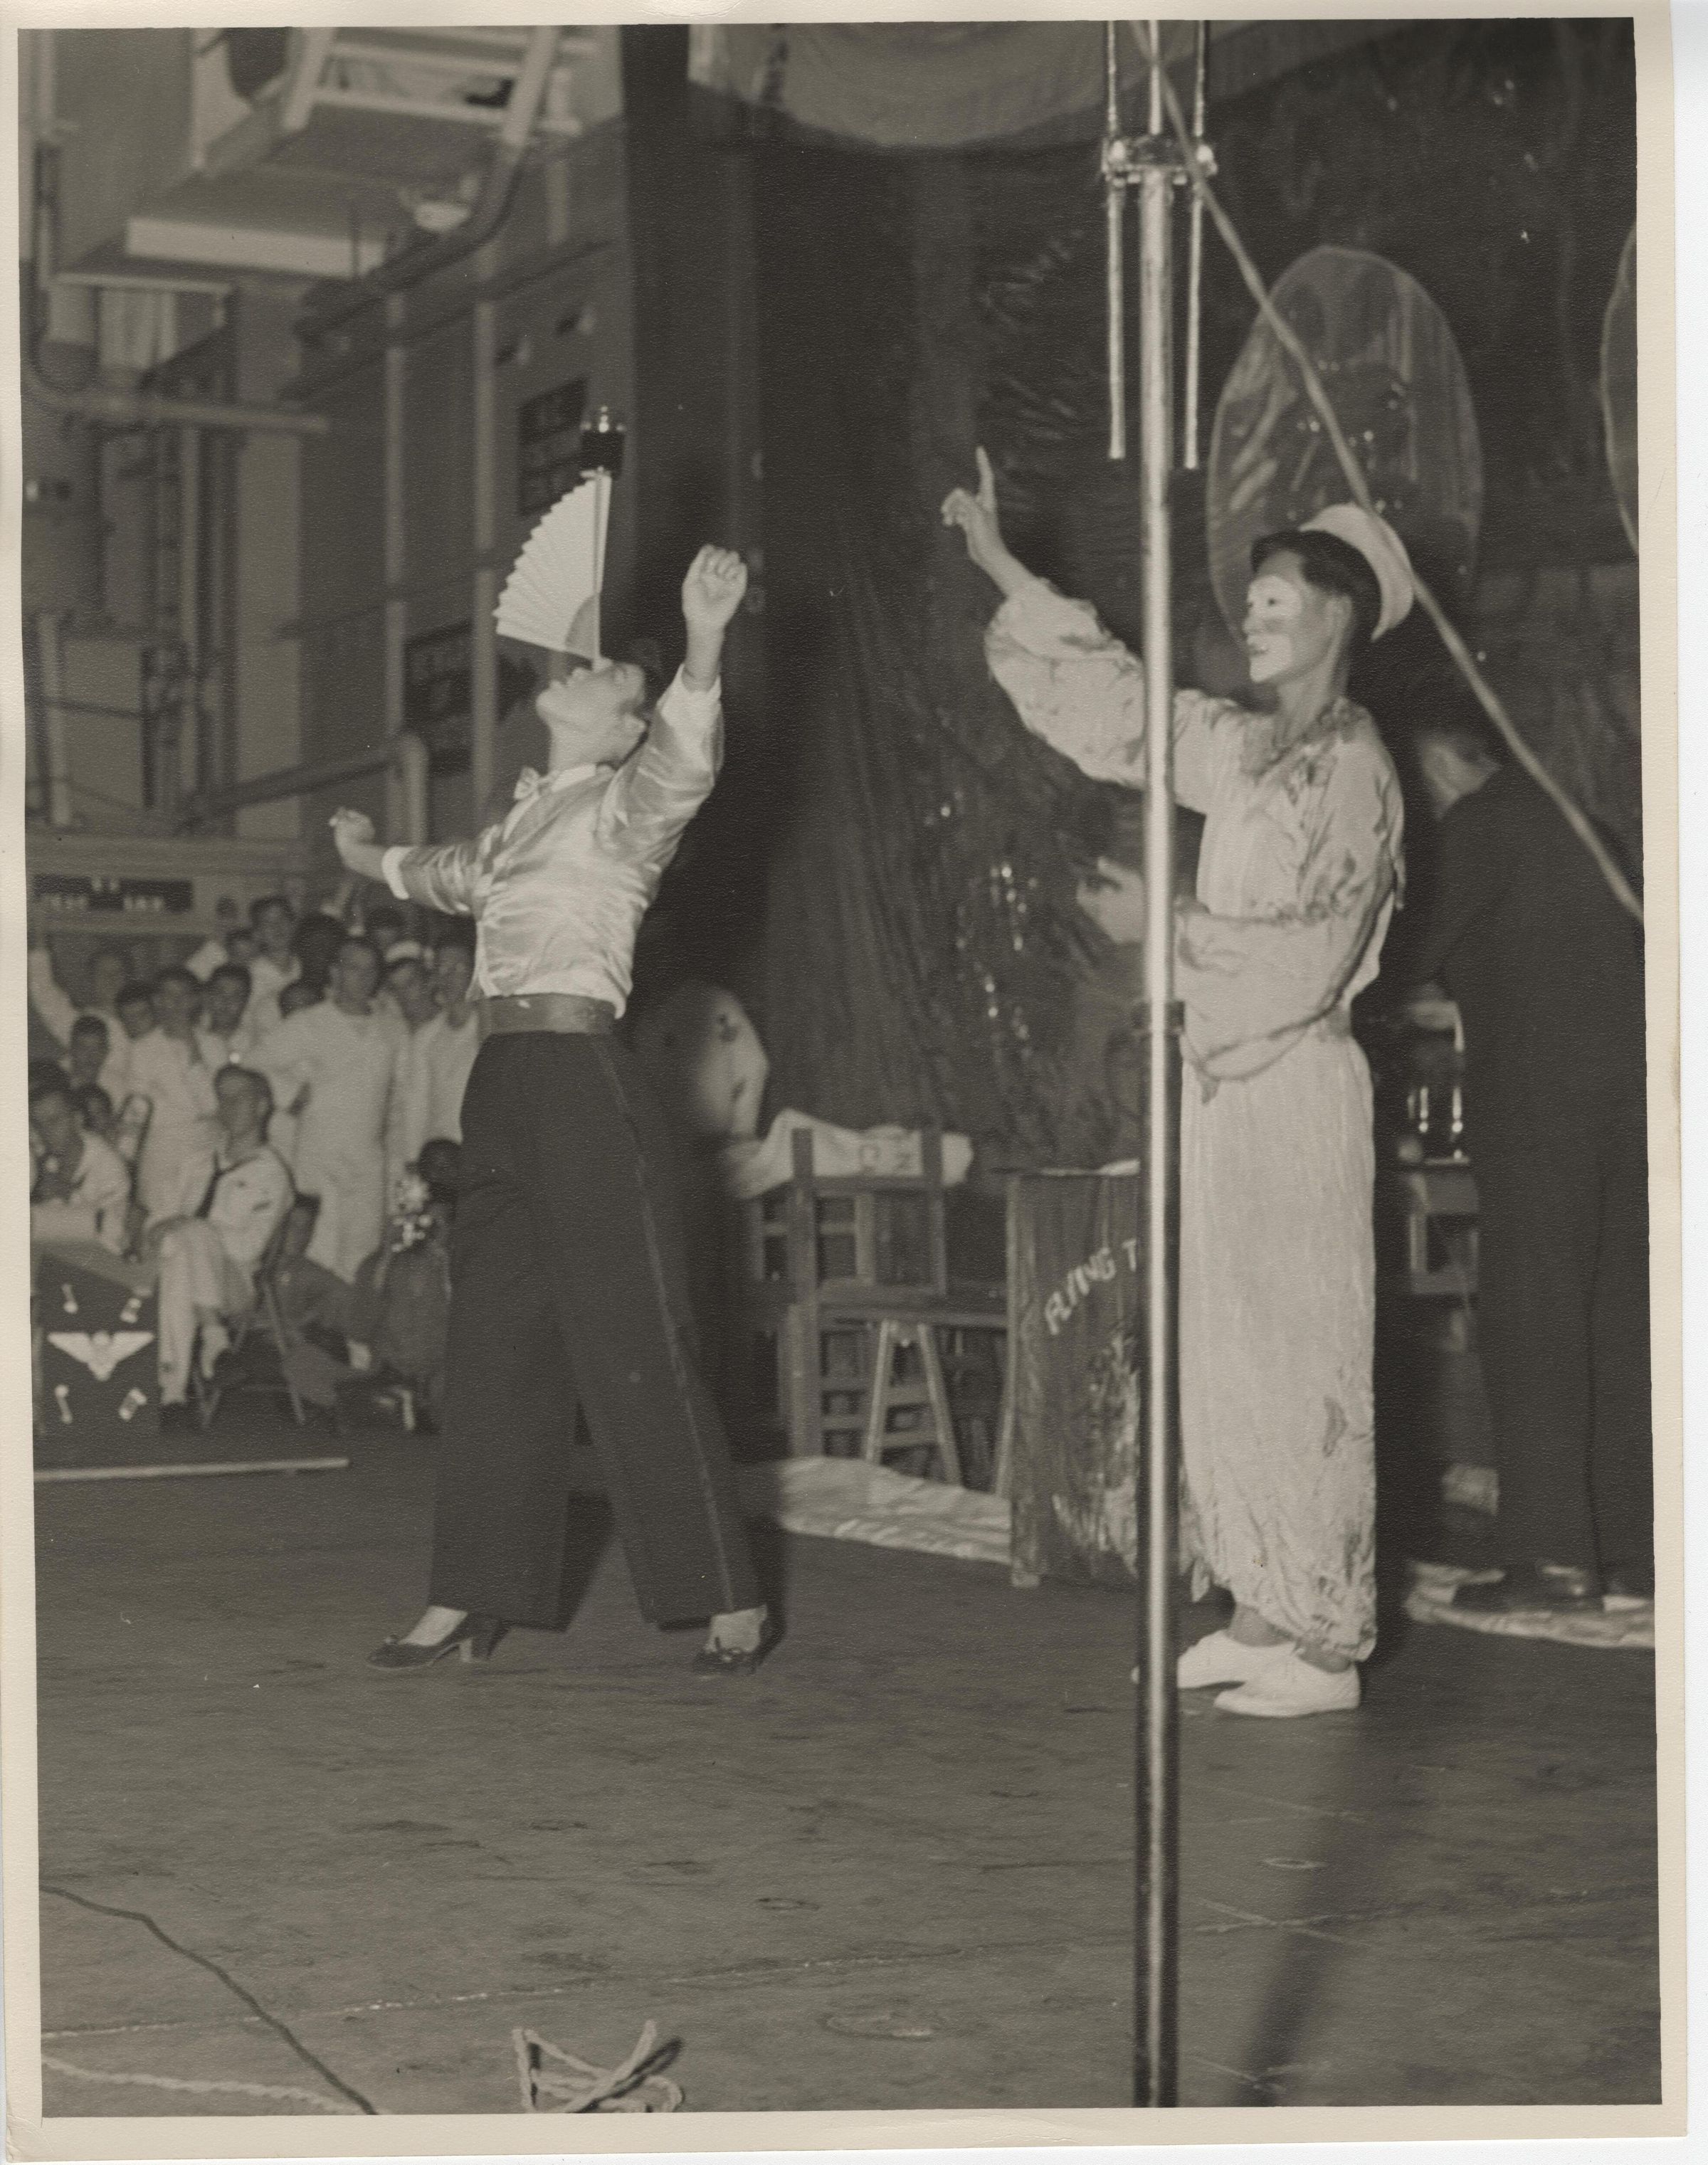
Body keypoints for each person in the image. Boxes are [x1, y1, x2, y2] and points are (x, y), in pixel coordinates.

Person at [945, 452, 1408, 1717]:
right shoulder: (1252, 751)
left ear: (1341, 616)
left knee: (1303, 1349)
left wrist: (1175, 923)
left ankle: (1327, 1641)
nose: (1254, 618)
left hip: (1297, 1084)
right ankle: (1265, 1609)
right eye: (1249, 600)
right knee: (1234, 1349)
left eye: (1277, 601)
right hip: (1224, 1089)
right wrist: (1001, 565)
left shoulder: (1356, 769)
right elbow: (1124, 708)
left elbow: (1315, 947)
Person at [329, 544, 771, 1676]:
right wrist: (369, 856)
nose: (578, 672)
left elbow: (686, 760)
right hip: (505, 1082)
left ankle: (720, 1587)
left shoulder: (629, 809)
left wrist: (704, 639)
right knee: (494, 1343)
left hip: (585, 1081)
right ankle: (469, 1596)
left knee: (633, 1334)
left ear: (625, 727)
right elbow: (446, 873)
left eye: (608, 678)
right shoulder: (522, 822)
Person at [1400, 712, 1652, 1611]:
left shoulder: (1477, 827)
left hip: (1542, 1112)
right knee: (1619, 1323)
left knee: (1535, 1324)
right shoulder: (1585, 823)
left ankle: (1548, 1559)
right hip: (1638, 1108)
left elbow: (1400, 957)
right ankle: (1632, 1551)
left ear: (1437, 765)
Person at [145, 1066, 294, 1429]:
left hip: (233, 1282)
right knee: (181, 1251)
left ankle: (174, 1389)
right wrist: (169, 1229)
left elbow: (248, 1249)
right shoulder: (196, 1163)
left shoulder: (272, 1175)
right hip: (172, 1271)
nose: (227, 1106)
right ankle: (209, 1353)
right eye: (221, 1097)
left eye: (238, 1097)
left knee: (190, 1239)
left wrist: (194, 1228)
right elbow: (155, 1223)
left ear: (262, 1106)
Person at [255, 935, 405, 1284]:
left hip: (368, 1156)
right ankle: (312, 1333)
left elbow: (399, 1098)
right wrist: (289, 1093)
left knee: (363, 1250)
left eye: (371, 971)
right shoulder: (308, 1023)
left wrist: (397, 1159)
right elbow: (255, 1064)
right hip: (318, 1151)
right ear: (335, 973)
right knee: (318, 1248)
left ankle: (351, 1335)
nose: (363, 979)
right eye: (353, 969)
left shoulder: (391, 1028)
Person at [127, 967, 224, 1221]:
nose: (177, 1004)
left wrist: (192, 1049)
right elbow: (140, 1109)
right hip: (162, 1151)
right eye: (168, 996)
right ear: (157, 1001)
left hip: (205, 1148)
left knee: (197, 1222)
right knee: (158, 1220)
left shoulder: (213, 1045)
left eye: (184, 996)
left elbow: (213, 1105)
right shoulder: (142, 1048)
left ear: (195, 1001)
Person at [30, 1076, 132, 1254]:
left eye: (54, 1120)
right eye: (39, 1124)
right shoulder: (39, 1157)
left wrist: (66, 1194)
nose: (46, 1132)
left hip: (97, 1261)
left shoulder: (109, 1165)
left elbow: (111, 1229)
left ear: (77, 1119)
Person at [28, 941, 134, 1101]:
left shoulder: (145, 1025)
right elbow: (43, 991)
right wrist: (40, 938)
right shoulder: (77, 1022)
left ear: (129, 978)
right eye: (102, 973)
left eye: (118, 972)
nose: (111, 979)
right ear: (91, 978)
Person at [383, 952, 443, 1193]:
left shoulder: (448, 1029)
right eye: (396, 988)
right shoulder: (391, 1033)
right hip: (396, 1153)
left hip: (438, 1151)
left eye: (410, 984)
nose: (403, 995)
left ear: (429, 983)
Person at [245, 894, 301, 1036]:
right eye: (267, 922)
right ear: (257, 933)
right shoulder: (249, 976)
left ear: (293, 924)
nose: (277, 927)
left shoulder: (306, 968)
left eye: (283, 919)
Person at [203, 964, 260, 1065]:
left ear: (246, 1001)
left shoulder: (255, 1042)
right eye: (219, 993)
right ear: (208, 996)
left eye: (236, 996)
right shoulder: (195, 1035)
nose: (226, 1002)